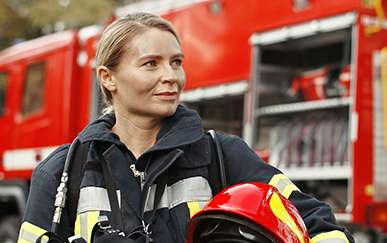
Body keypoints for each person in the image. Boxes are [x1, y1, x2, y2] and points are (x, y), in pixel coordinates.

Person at [18, 12, 354, 243]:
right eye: (151, 63)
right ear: (108, 78)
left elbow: (310, 219)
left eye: (176, 62)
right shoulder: (62, 172)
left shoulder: (222, 155)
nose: (172, 76)